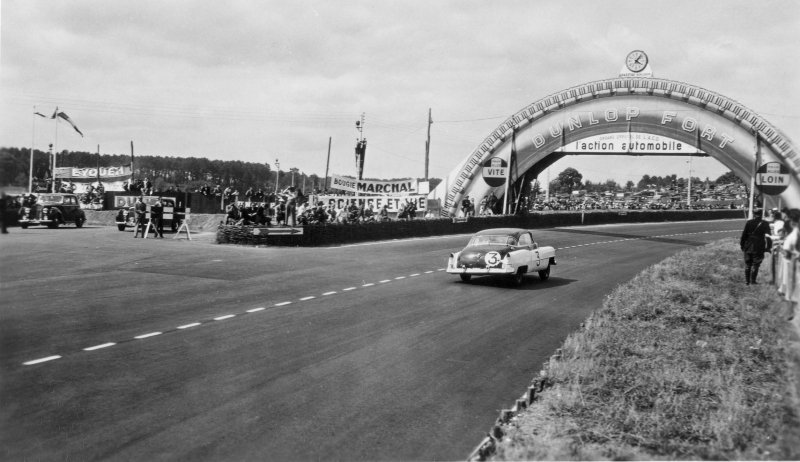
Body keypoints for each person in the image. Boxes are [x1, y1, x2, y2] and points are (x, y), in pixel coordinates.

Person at [740, 208, 771, 285]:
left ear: (754, 214)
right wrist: (768, 247)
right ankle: (753, 281)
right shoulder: (765, 223)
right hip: (759, 245)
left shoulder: (749, 222)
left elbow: (744, 235)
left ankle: (747, 281)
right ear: (761, 214)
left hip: (748, 245)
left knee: (748, 264)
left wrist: (742, 245)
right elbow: (768, 237)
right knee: (756, 264)